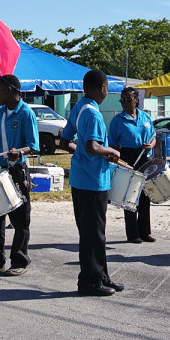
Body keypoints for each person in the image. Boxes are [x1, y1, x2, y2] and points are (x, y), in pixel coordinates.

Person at [59, 69, 123, 296]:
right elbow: (92, 147)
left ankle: (102, 276)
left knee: (94, 233)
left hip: (81, 179)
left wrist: (84, 156)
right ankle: (89, 282)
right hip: (92, 183)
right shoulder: (94, 114)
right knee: (93, 234)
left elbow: (65, 142)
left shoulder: (79, 107)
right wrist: (111, 150)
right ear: (103, 87)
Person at [0, 75, 39, 276]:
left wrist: (20, 152)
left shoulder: (26, 113)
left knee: (20, 219)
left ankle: (19, 260)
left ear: (11, 89)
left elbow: (33, 146)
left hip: (16, 171)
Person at [107, 87, 156, 244]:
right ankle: (132, 233)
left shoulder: (145, 117)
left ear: (136, 100)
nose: (125, 103)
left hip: (144, 156)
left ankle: (145, 231)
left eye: (128, 99)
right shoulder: (117, 120)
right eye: (122, 100)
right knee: (130, 195)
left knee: (144, 195)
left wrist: (151, 145)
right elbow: (113, 144)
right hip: (127, 156)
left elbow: (153, 137)